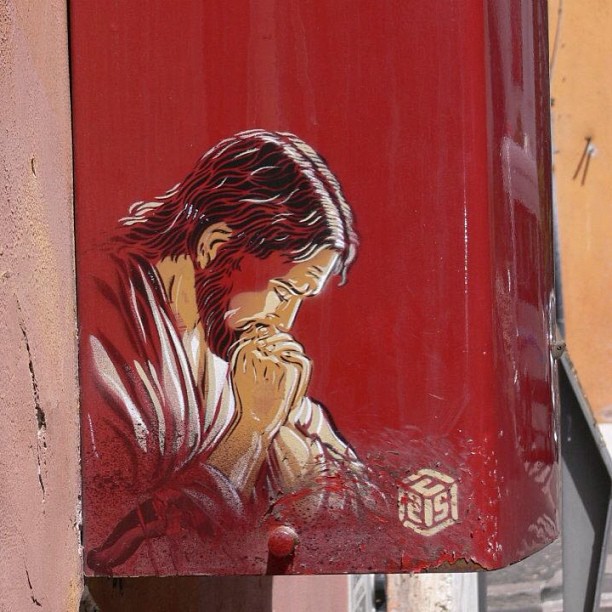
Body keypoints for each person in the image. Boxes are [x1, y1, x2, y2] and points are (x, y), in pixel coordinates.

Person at [81, 129, 382, 574]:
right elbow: (123, 547)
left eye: (301, 298)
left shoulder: (237, 344)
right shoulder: (105, 326)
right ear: (214, 246)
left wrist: (283, 434)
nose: (285, 320)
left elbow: (364, 505)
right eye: (283, 291)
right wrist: (253, 433)